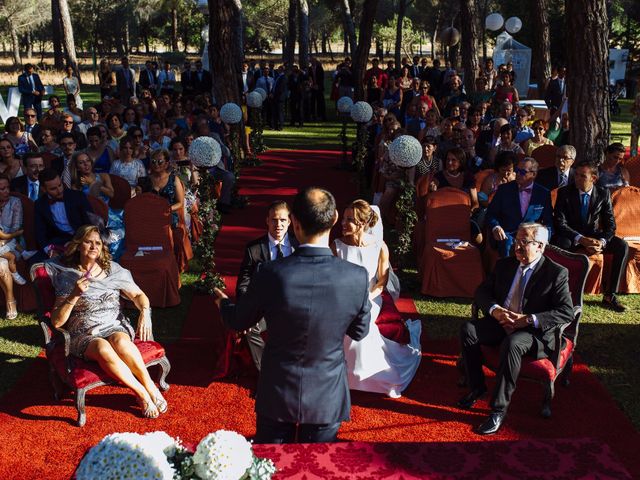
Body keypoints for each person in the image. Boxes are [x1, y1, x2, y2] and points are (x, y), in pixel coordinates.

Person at [215, 187, 371, 444]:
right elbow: (359, 331)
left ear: (294, 223)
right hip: (327, 393)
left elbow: (238, 321)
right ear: (333, 219)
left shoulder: (271, 273)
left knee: (272, 465)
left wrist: (222, 302)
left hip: (278, 389)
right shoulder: (356, 277)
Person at [459, 222, 573, 435]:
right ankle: (477, 387)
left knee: (512, 344)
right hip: (501, 322)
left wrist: (528, 320)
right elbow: (482, 292)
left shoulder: (556, 273)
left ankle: (498, 410)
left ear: (540, 246)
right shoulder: (504, 265)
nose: (516, 247)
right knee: (469, 329)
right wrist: (495, 310)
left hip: (532, 332)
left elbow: (566, 311)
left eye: (524, 242)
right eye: (516, 240)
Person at [47, 225, 167, 418]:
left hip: (114, 325)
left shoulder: (113, 270)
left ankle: (150, 387)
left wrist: (145, 311)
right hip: (84, 332)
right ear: (78, 245)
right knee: (103, 348)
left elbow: (138, 295)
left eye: (98, 243)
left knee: (121, 343)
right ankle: (142, 393)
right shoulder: (67, 276)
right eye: (88, 242)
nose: (94, 246)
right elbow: (57, 322)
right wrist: (75, 294)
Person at [333, 200, 421, 398]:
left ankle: (372, 377)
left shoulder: (380, 247)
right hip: (344, 299)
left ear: (363, 224)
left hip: (371, 297)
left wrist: (366, 299)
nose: (343, 224)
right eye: (344, 219)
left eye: (350, 220)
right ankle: (343, 376)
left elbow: (382, 281)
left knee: (365, 322)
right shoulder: (337, 246)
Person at [553, 160, 628, 312]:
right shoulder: (565, 192)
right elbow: (560, 223)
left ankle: (609, 295)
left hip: (593, 235)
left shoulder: (602, 193)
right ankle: (558, 294)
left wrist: (601, 242)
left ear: (593, 178)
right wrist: (581, 239)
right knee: (561, 244)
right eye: (576, 175)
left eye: (583, 176)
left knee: (621, 246)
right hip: (571, 235)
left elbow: (610, 225)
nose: (577, 179)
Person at [236, 201, 298, 372]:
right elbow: (244, 282)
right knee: (250, 330)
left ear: (290, 221)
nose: (278, 225)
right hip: (264, 308)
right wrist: (245, 310)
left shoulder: (298, 246)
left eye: (283, 220)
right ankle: (267, 374)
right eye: (274, 220)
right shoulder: (254, 249)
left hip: (293, 306)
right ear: (267, 221)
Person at [486, 157, 554, 257]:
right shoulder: (504, 190)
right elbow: (491, 214)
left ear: (533, 174)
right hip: (507, 233)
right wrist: (496, 227)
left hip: (531, 236)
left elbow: (548, 221)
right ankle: (507, 272)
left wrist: (545, 237)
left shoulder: (543, 194)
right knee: (507, 244)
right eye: (517, 170)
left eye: (522, 172)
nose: (518, 174)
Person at [33, 168, 94, 262]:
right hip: (57, 241)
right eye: (53, 189)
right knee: (35, 262)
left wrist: (78, 242)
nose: (59, 190)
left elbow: (90, 223)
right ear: (43, 189)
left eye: (60, 185)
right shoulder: (40, 204)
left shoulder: (78, 196)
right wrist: (49, 250)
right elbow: (40, 232)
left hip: (80, 238)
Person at [136, 149, 184, 228]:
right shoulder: (144, 180)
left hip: (168, 216)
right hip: (150, 216)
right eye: (153, 161)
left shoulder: (174, 179)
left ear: (166, 164)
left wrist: (167, 209)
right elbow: (140, 203)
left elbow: (180, 203)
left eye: (160, 162)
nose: (156, 164)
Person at [631, 92, 640, 158]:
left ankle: (633, 156)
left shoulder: (638, 95)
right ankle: (633, 157)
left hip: (636, 120)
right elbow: (633, 108)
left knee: (634, 140)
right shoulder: (638, 95)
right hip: (636, 121)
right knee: (634, 140)